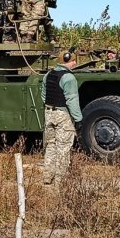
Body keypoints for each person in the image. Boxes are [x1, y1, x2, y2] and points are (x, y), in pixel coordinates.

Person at [41, 51, 81, 185]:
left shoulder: (49, 74)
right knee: (63, 148)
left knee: (50, 146)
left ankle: (47, 177)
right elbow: (72, 100)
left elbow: (43, 94)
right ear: (73, 61)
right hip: (62, 115)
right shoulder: (69, 78)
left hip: (49, 113)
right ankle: (60, 181)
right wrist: (78, 119)